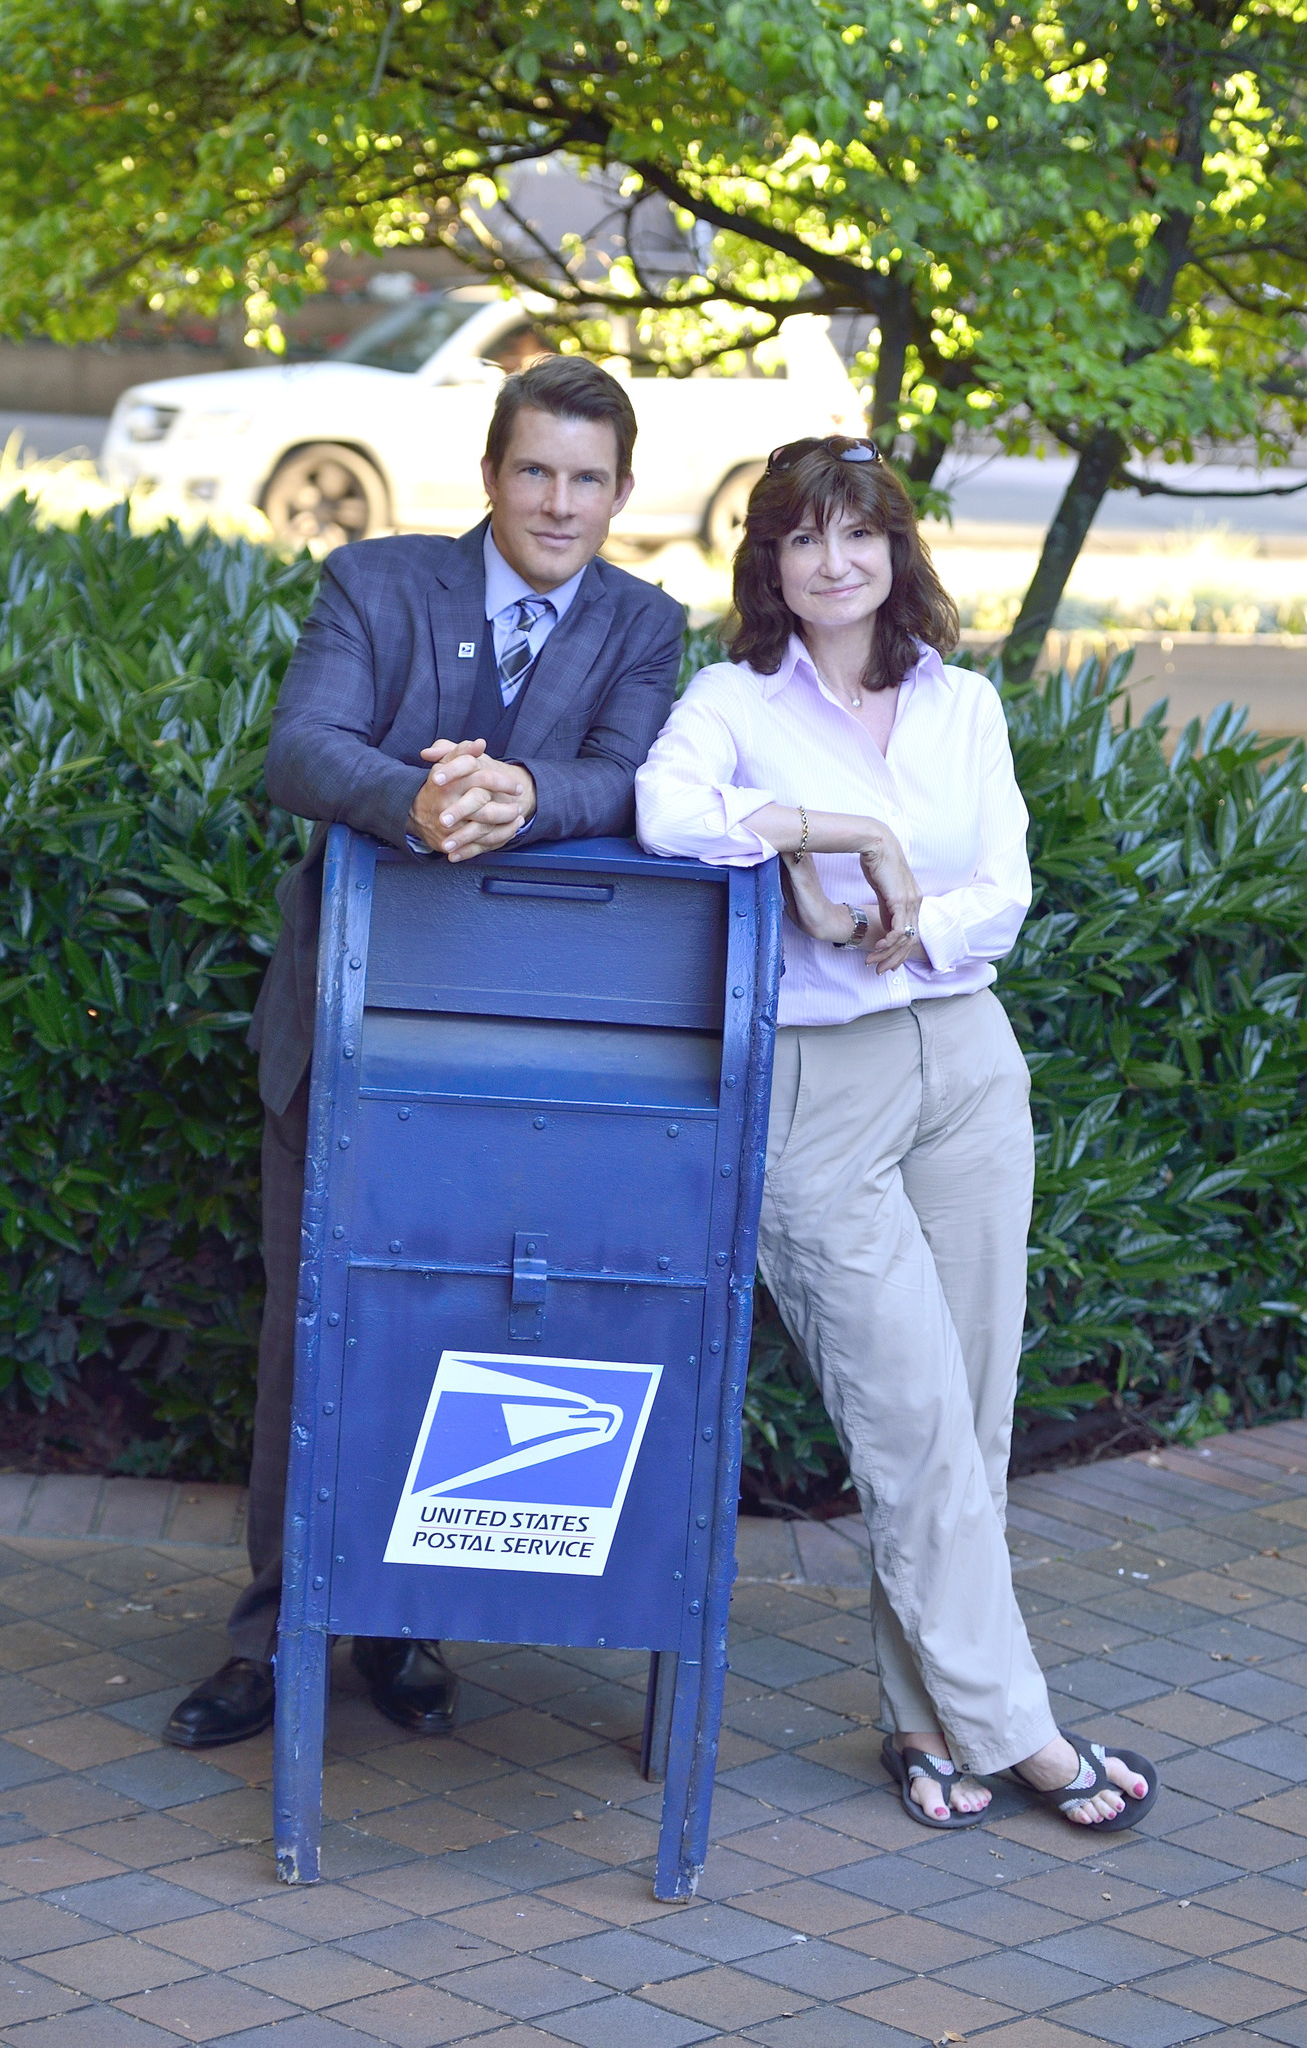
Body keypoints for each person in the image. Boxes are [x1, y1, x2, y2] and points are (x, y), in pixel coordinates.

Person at [635, 437, 1159, 1832]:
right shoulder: (732, 699)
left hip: (966, 1060)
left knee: (969, 1422)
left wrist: (897, 912)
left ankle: (923, 1723)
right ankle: (1025, 1734)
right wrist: (833, 826)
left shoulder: (963, 701)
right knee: (911, 1419)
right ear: (770, 559)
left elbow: (1006, 882)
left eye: (858, 534)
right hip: (819, 1086)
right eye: (803, 538)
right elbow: (668, 813)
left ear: (895, 549)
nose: (833, 562)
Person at [166, 356, 684, 1750]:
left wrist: (519, 793)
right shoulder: (380, 583)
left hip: (513, 1066)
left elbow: (639, 776)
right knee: (309, 1337)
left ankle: (401, 1626)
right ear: (491, 473)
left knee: (454, 1334)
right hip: (339, 1027)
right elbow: (299, 751)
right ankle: (275, 1638)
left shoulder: (647, 622)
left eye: (586, 479)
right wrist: (417, 799)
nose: (558, 503)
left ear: (621, 492)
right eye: (534, 471)